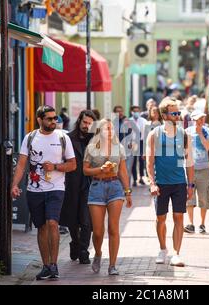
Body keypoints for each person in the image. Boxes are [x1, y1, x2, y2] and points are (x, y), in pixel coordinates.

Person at [11, 105, 77, 280]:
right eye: (49, 118)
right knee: (41, 226)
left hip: (56, 188)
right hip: (34, 189)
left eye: (55, 118)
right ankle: (46, 265)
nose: (53, 121)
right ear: (40, 119)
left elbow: (72, 164)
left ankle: (54, 265)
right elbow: (21, 164)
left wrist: (55, 167)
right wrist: (14, 185)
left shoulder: (63, 137)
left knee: (52, 223)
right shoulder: (30, 138)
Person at [146, 96, 194, 267]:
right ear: (164, 115)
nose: (178, 116)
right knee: (161, 218)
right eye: (174, 113)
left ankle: (176, 253)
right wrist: (152, 183)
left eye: (178, 112)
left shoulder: (184, 135)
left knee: (178, 217)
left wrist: (191, 184)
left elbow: (189, 161)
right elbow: (149, 162)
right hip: (161, 183)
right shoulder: (155, 134)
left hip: (180, 182)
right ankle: (162, 248)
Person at [83, 119, 133, 275]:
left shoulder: (119, 148)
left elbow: (123, 171)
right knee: (97, 231)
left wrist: (127, 191)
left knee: (113, 228)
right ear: (99, 131)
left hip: (115, 187)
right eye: (106, 129)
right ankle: (98, 253)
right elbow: (85, 170)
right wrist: (100, 169)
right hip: (97, 187)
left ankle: (112, 265)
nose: (110, 132)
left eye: (112, 129)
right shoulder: (91, 148)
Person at [59, 110, 97, 264]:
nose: (86, 126)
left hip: (89, 184)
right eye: (84, 122)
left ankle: (83, 250)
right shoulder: (68, 138)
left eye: (89, 123)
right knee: (72, 220)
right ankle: (75, 242)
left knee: (86, 220)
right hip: (71, 183)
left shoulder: (95, 140)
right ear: (79, 121)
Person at [184, 110, 209, 234]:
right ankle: (190, 224)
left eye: (202, 118)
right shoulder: (186, 132)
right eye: (198, 119)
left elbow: (207, 147)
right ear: (193, 120)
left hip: (204, 169)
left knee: (204, 197)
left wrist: (200, 134)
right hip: (190, 168)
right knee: (189, 197)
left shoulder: (208, 131)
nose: (200, 121)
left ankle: (202, 224)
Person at [129, 105, 148, 187]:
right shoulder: (129, 121)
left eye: (138, 111)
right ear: (132, 112)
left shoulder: (143, 121)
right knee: (133, 161)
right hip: (133, 142)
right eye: (134, 111)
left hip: (141, 141)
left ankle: (141, 178)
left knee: (141, 160)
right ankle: (135, 179)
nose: (136, 113)